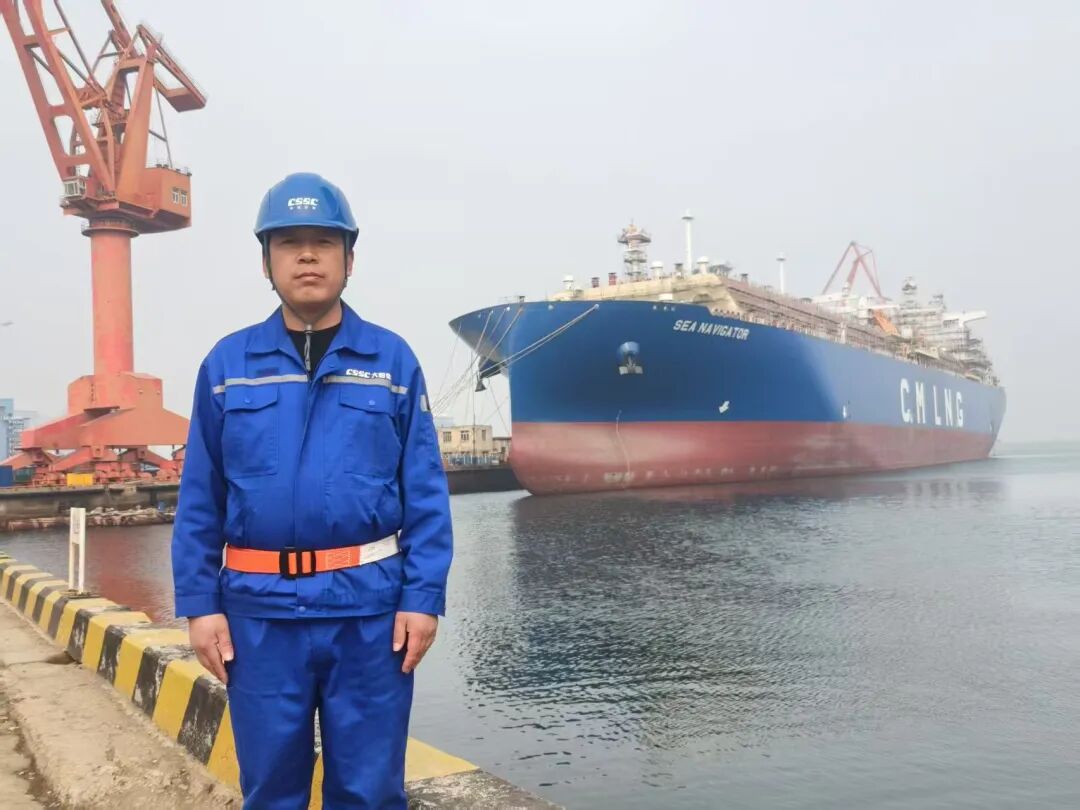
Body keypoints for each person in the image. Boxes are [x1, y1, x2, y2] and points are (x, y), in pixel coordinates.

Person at [171, 172, 453, 808]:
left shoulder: (392, 362)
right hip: (259, 618)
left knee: (370, 791)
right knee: (271, 790)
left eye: (323, 242)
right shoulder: (227, 366)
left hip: (370, 616)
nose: (306, 256)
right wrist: (200, 605)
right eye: (289, 243)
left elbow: (426, 493)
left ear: (349, 259)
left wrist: (423, 599)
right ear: (265, 261)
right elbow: (200, 498)